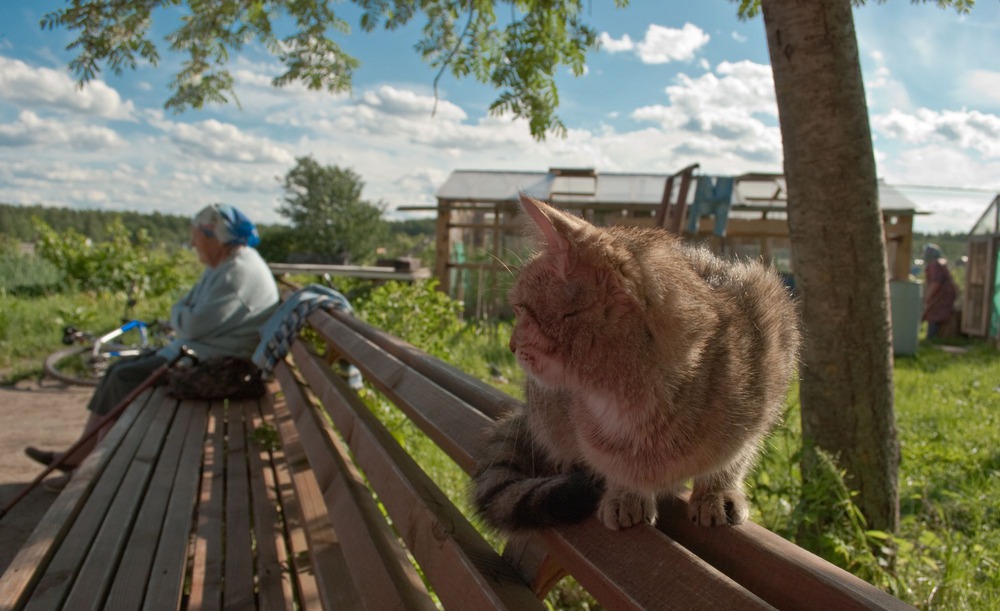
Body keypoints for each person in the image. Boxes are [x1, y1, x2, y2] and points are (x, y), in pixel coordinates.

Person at [25, 204, 280, 490]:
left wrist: (181, 316)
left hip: (219, 364)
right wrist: (183, 316)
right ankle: (80, 459)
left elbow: (191, 323)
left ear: (215, 237)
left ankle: (87, 473)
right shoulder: (224, 265)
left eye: (196, 237)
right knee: (117, 372)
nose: (194, 244)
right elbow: (185, 310)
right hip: (199, 351)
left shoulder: (236, 273)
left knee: (123, 378)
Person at [921, 243, 958, 340]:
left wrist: (927, 297)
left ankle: (932, 337)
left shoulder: (935, 265)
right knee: (935, 314)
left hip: (942, 295)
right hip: (944, 294)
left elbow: (935, 283)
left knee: (935, 314)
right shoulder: (939, 263)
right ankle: (935, 337)